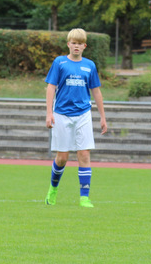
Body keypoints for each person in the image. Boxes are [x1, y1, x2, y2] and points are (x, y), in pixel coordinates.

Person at [44, 28, 108, 208]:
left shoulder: (90, 65)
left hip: (83, 114)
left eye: (80, 43)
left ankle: (84, 197)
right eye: (73, 43)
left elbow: (96, 91)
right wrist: (49, 113)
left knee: (84, 154)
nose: (76, 46)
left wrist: (102, 117)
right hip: (62, 114)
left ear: (84, 46)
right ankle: (53, 190)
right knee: (62, 157)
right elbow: (51, 88)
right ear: (68, 44)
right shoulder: (60, 63)